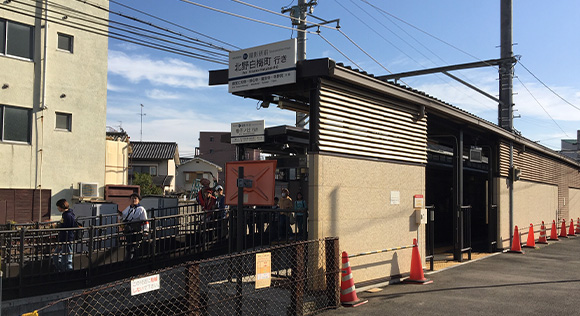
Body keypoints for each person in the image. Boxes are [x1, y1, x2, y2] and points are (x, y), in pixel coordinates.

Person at [119, 193, 149, 260]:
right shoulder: (128, 208)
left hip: (136, 229)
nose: (133, 200)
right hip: (128, 229)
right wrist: (120, 214)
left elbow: (144, 220)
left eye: (135, 198)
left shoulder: (141, 209)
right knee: (129, 244)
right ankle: (130, 258)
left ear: (139, 200)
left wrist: (145, 230)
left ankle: (134, 259)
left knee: (135, 245)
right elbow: (123, 216)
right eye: (132, 198)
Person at [53, 199, 76, 272]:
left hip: (66, 239)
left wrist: (61, 241)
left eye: (58, 207)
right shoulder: (69, 214)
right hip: (66, 239)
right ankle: (63, 271)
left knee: (66, 259)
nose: (58, 208)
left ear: (61, 207)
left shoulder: (67, 215)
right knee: (62, 257)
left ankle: (67, 272)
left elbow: (65, 229)